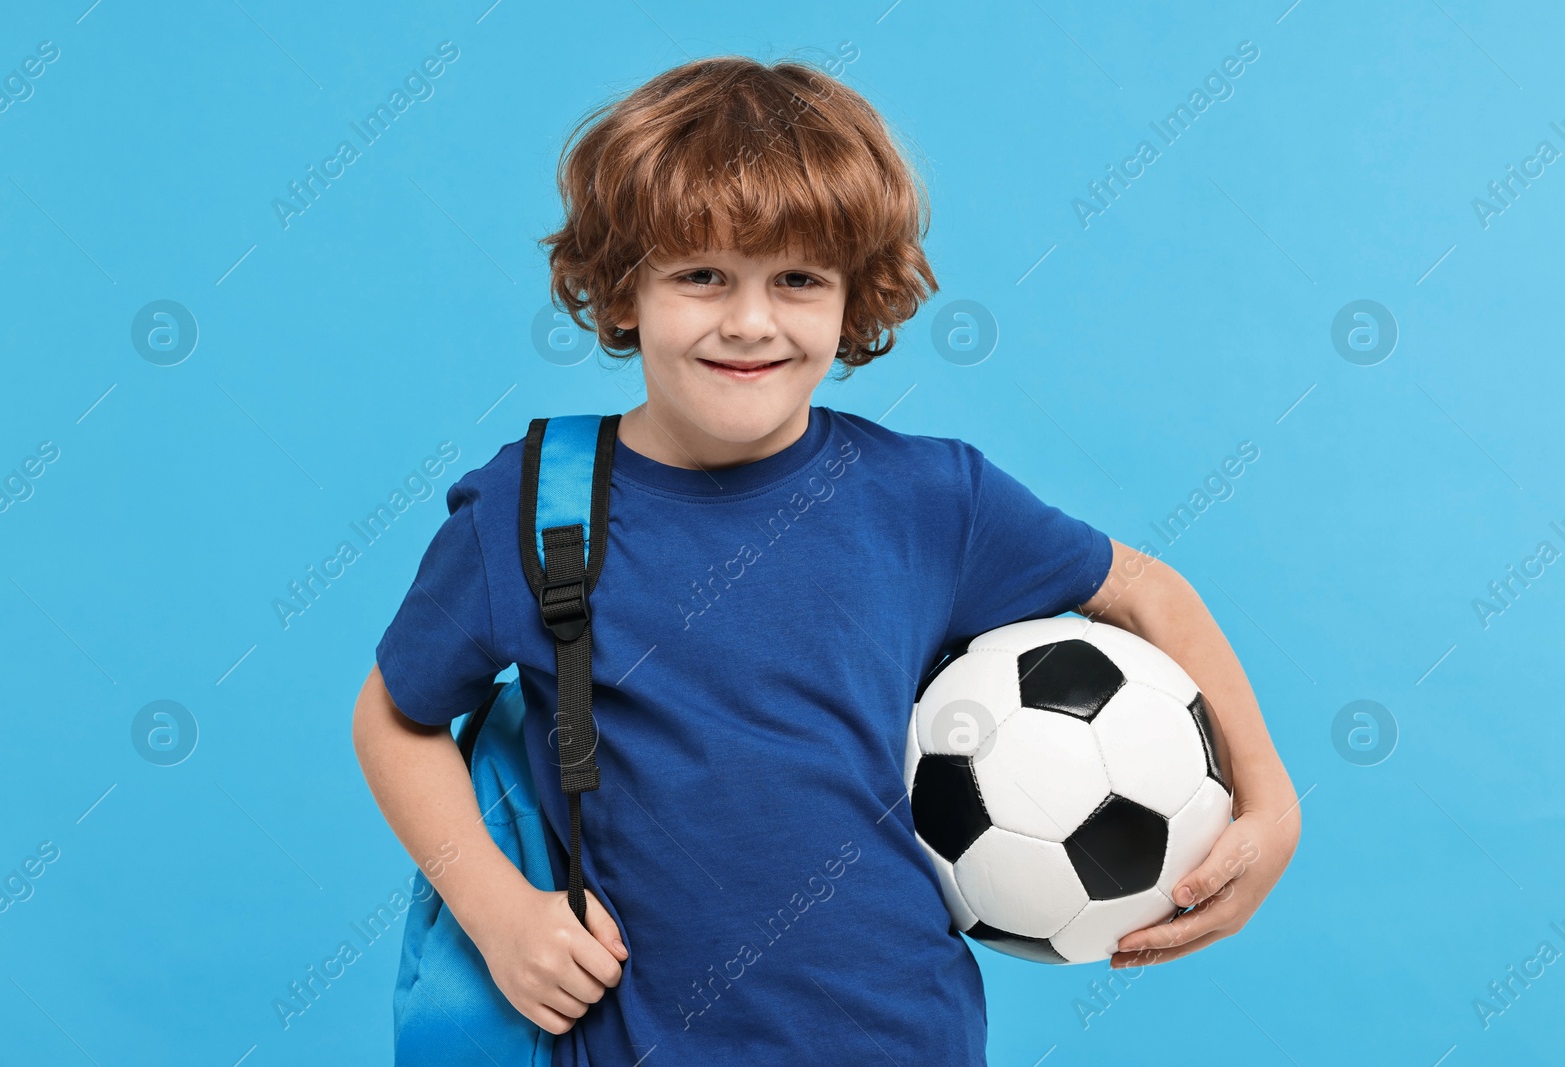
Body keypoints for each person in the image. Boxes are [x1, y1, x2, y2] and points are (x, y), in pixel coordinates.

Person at [352, 54, 1300, 1065]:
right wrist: (498, 912)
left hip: (908, 1039)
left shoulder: (933, 499)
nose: (749, 320)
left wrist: (1270, 799)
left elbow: (1141, 588)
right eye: (700, 274)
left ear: (858, 296)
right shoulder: (532, 509)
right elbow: (394, 714)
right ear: (623, 288)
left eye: (797, 278)